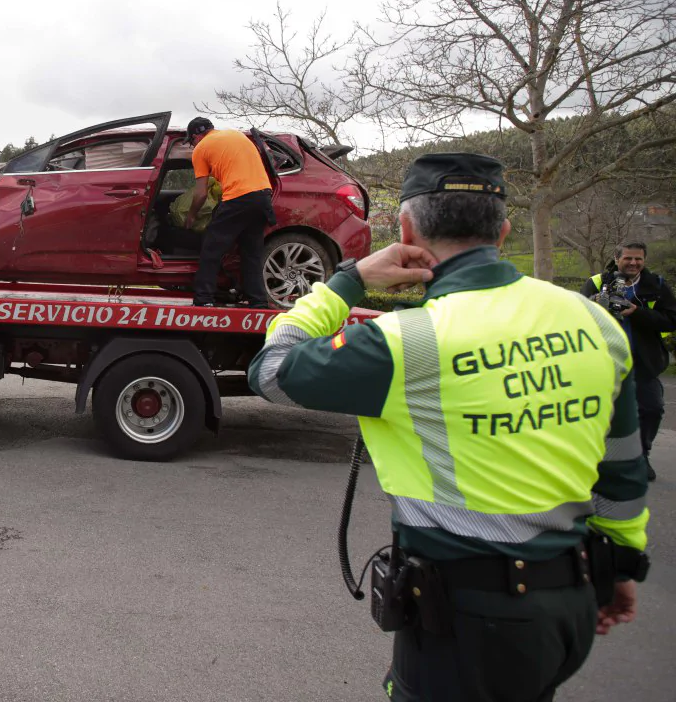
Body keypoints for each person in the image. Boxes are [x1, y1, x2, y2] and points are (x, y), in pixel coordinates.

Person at [248, 153, 650, 702]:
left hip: (467, 619)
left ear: (406, 230)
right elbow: (624, 468)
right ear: (504, 229)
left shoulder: (406, 342)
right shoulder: (593, 319)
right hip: (571, 603)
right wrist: (623, 565)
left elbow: (271, 372)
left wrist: (348, 281)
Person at [581, 242, 676, 481]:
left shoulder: (656, 285)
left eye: (638, 259)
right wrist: (595, 303)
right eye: (628, 259)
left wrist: (637, 312)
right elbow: (576, 316)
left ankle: (641, 455)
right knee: (599, 412)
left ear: (644, 260)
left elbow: (671, 321)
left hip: (643, 362)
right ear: (617, 258)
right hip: (603, 361)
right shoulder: (596, 283)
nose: (634, 263)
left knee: (652, 409)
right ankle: (598, 458)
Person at [182, 117, 275, 307]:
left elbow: (201, 193)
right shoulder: (236, 135)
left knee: (211, 248)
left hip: (238, 198)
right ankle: (258, 301)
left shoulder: (201, 148)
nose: (192, 146)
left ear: (195, 137)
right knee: (251, 252)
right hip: (263, 197)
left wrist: (191, 216)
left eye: (191, 142)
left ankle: (203, 299)